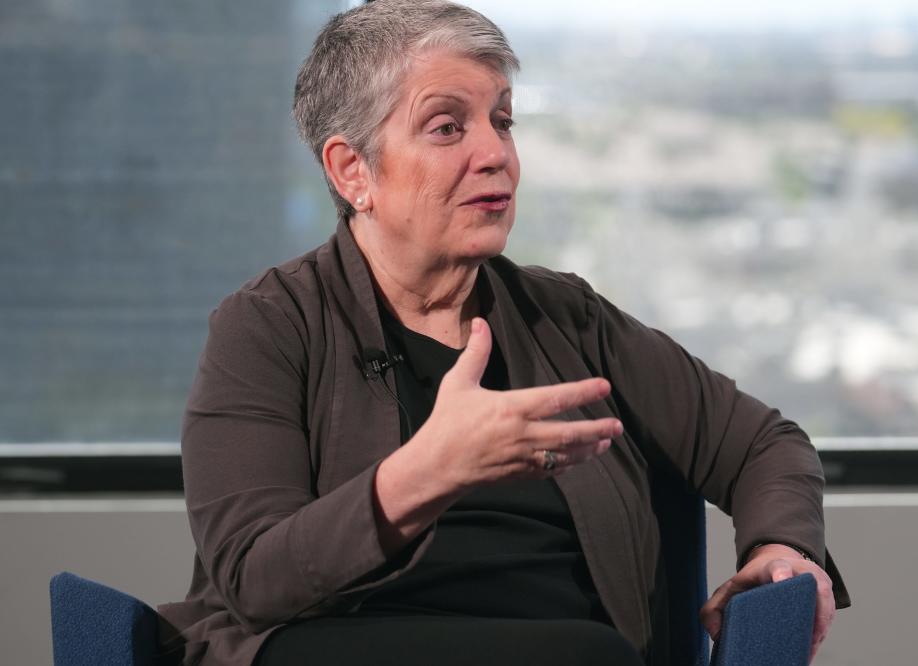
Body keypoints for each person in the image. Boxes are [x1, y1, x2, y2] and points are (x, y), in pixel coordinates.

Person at [157, 2, 849, 664]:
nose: (496, 155)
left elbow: (762, 441)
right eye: (447, 127)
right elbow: (252, 578)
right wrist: (432, 470)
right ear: (353, 171)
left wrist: (781, 548)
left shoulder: (566, 316)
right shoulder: (268, 325)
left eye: (503, 121)